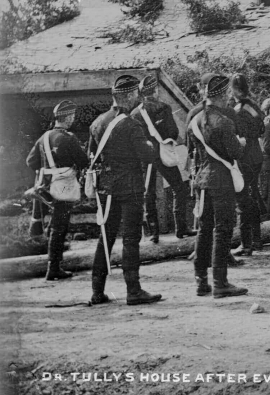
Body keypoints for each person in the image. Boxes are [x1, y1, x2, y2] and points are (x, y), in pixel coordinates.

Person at [89, 75, 160, 305]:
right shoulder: (131, 124)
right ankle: (133, 290)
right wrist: (150, 145)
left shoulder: (97, 122)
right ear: (128, 96)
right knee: (131, 239)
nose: (138, 99)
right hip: (130, 187)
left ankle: (97, 292)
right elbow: (148, 155)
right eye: (135, 95)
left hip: (106, 188)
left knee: (105, 238)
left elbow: (93, 155)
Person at [188, 75, 248, 298]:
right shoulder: (224, 122)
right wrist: (240, 143)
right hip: (221, 180)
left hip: (202, 180)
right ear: (223, 95)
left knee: (204, 230)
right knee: (222, 230)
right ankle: (220, 283)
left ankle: (201, 281)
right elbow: (236, 152)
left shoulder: (195, 119)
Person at [25, 100, 90, 281]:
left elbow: (31, 162)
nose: (73, 120)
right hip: (63, 185)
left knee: (55, 225)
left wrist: (47, 169)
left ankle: (53, 265)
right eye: (72, 117)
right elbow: (84, 161)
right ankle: (53, 268)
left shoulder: (43, 138)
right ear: (68, 118)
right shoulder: (68, 138)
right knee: (59, 226)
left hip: (46, 187)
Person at [129, 75, 194, 243]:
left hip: (146, 157)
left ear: (142, 94)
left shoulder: (135, 114)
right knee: (179, 188)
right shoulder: (163, 107)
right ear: (155, 91)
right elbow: (172, 132)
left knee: (148, 193)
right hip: (163, 154)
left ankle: (153, 233)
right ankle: (181, 228)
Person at [230, 74, 266, 256]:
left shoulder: (238, 110)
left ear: (235, 90)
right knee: (253, 195)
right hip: (256, 156)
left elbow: (239, 136)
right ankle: (257, 239)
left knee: (243, 200)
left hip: (245, 158)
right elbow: (261, 128)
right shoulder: (254, 106)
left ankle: (246, 243)